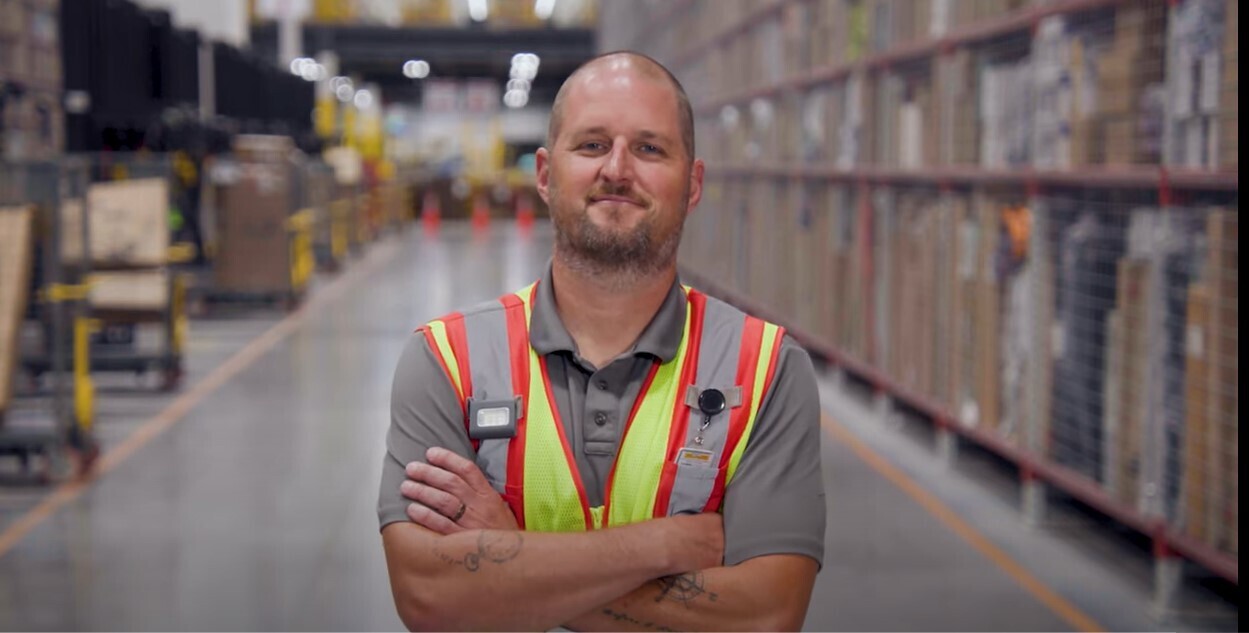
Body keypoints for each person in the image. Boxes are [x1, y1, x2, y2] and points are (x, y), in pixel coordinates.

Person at [378, 51, 825, 632]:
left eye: (649, 148)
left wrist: (512, 561)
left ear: (692, 184)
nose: (617, 169)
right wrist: (663, 544)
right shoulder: (447, 360)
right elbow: (429, 595)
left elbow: (765, 616)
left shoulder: (766, 370)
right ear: (544, 174)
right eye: (591, 145)